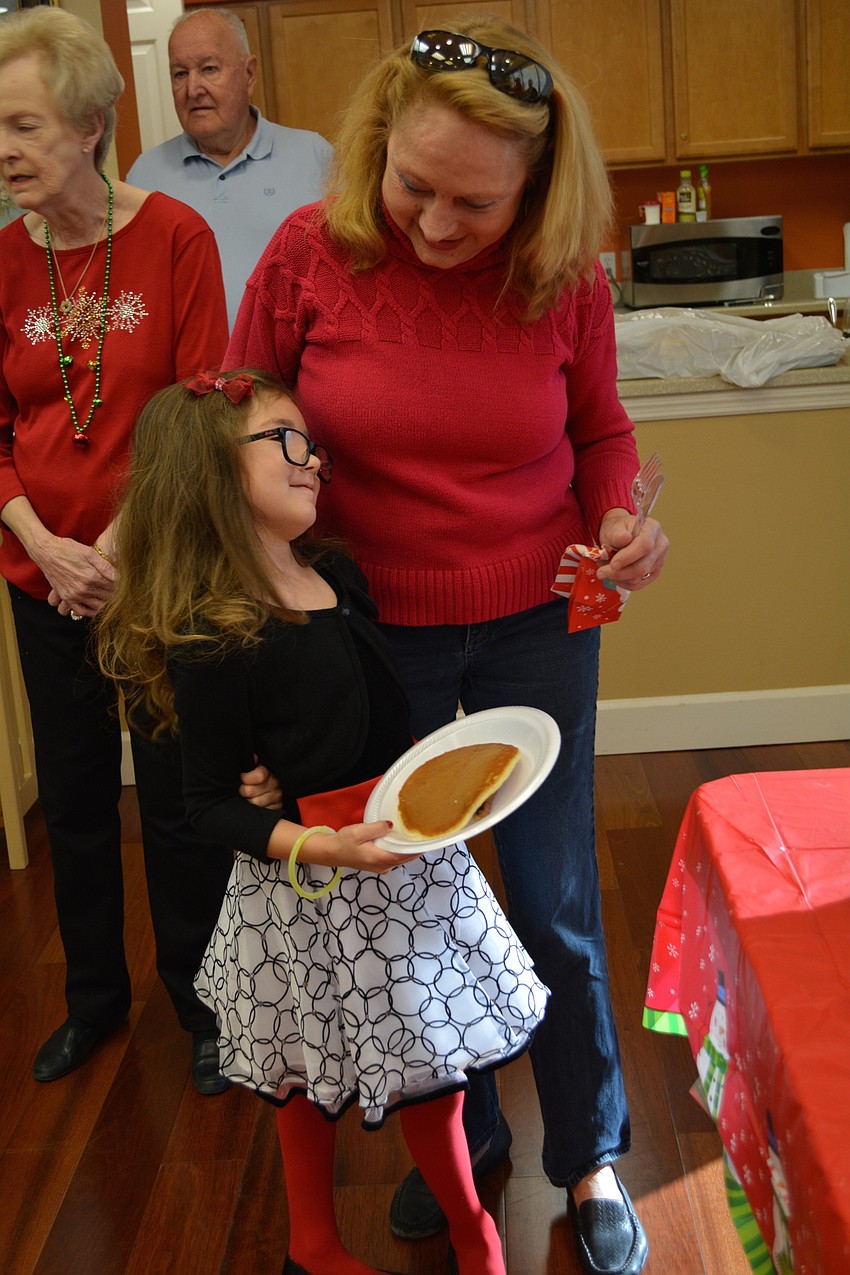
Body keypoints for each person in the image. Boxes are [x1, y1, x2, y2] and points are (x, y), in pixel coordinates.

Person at [224, 18, 670, 1275]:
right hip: (370, 639)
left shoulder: (563, 276)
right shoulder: (310, 254)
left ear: (534, 190)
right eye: (411, 184)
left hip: (533, 628)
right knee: (423, 911)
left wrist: (622, 520)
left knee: (551, 903)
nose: (430, 223)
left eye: (472, 203)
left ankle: (587, 1159)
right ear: (375, 145)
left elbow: (599, 436)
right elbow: (233, 426)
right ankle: (461, 1142)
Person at [96, 366, 550, 1275]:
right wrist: (305, 830)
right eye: (286, 441)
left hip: (402, 867)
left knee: (431, 1070)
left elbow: (374, 721)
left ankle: (475, 1228)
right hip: (305, 888)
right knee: (298, 1068)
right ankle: (311, 1241)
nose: (313, 461)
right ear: (213, 471)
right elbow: (201, 806)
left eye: (313, 445)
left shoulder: (336, 575)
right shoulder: (213, 632)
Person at [0, 5, 275, 1095]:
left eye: (22, 127)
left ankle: (202, 1006)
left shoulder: (172, 237)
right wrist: (41, 543)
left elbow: (204, 405)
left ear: (86, 126)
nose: (4, 150)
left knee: (174, 797)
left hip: (157, 574)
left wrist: (110, 545)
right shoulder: (0, 262)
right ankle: (93, 1004)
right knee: (73, 797)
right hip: (42, 578)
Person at [127, 6, 332, 329]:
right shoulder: (144, 175)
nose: (193, 89)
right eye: (180, 73)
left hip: (290, 372)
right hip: (189, 375)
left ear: (249, 74)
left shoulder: (314, 156)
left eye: (208, 69)